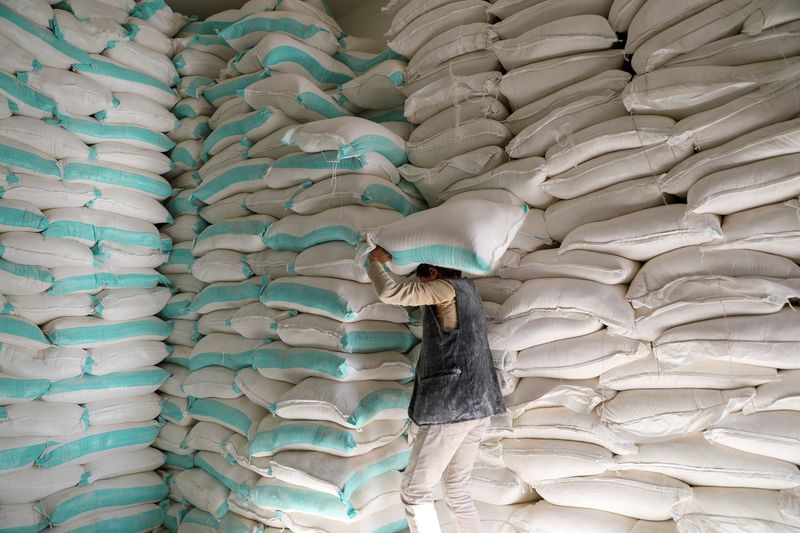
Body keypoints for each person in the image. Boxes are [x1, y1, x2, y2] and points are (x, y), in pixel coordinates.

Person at [367, 246, 506, 533]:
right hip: (480, 406)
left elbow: (389, 293)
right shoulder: (468, 290)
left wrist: (375, 262)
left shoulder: (443, 289)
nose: (421, 289)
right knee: (457, 490)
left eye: (421, 281)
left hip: (452, 408)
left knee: (415, 491)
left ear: (430, 272)